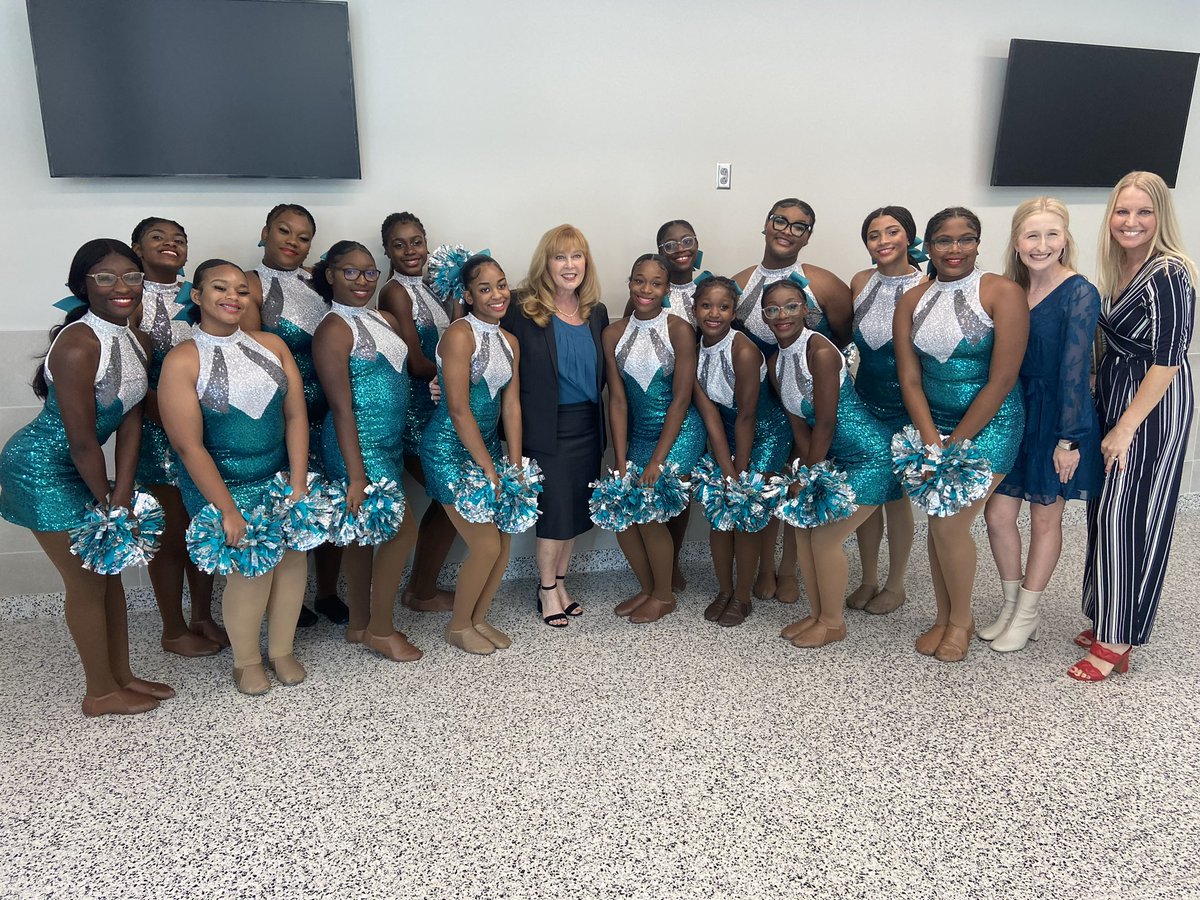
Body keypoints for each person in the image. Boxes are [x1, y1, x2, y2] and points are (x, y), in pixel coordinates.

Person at [0, 239, 172, 716]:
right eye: (105, 277)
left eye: (132, 277)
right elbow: (80, 442)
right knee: (87, 582)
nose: (122, 287)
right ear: (83, 286)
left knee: (110, 577)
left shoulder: (140, 338)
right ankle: (100, 692)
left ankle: (122, 675)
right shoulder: (78, 344)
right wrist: (109, 505)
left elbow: (134, 420)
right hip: (43, 470)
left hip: (87, 470)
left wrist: (123, 490)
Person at [159, 259, 311, 695]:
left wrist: (297, 482)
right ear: (198, 296)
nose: (233, 298)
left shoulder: (273, 344)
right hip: (222, 483)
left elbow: (296, 414)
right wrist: (226, 508)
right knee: (251, 568)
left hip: (278, 475)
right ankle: (246, 661)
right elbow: (189, 446)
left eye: (242, 291)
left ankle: (282, 649)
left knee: (293, 560)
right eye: (220, 289)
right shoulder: (182, 360)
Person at [1074, 171, 1196, 681]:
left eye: (1143, 212)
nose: (1130, 221)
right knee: (1107, 510)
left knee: (1131, 515)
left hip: (1150, 407)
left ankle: (1119, 639)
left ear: (1159, 218)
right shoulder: (1124, 265)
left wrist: (1124, 428)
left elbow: (1168, 361)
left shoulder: (1169, 273)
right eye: (1123, 212)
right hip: (1119, 396)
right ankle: (1108, 614)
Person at [893, 208, 1028, 662]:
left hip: (991, 424)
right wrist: (931, 437)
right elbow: (909, 379)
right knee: (938, 524)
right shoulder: (911, 299)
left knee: (950, 525)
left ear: (978, 243)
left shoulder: (1002, 292)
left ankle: (961, 621)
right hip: (934, 426)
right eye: (943, 241)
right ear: (927, 247)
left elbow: (1002, 379)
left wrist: (960, 440)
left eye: (965, 240)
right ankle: (943, 615)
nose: (955, 250)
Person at [982, 199, 1102, 652]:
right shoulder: (1010, 289)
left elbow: (1075, 370)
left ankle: (1029, 612)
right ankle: (1013, 607)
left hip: (1058, 415)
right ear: (1016, 242)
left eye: (1053, 235)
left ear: (1066, 239)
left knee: (1044, 516)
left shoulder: (1079, 291)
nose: (1042, 245)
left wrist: (1068, 439)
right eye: (1032, 235)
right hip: (1016, 410)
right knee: (998, 514)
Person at [733, 198, 853, 606]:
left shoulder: (822, 283)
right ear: (765, 224)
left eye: (799, 226)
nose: (787, 230)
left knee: (796, 483)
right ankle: (764, 567)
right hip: (762, 407)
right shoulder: (741, 281)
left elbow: (842, 339)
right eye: (780, 221)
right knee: (767, 485)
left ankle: (789, 569)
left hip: (803, 402)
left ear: (808, 236)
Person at [766, 280, 896, 648]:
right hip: (835, 459)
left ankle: (833, 622)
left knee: (825, 538)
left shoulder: (819, 351)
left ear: (805, 308)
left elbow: (825, 421)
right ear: (764, 317)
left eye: (791, 306)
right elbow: (799, 425)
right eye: (772, 310)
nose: (782, 316)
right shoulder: (776, 362)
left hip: (871, 456)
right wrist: (806, 473)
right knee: (805, 529)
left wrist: (809, 474)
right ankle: (816, 613)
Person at [312, 241, 422, 662]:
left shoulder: (385, 317)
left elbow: (407, 371)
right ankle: (381, 628)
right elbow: (340, 407)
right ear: (331, 276)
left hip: (389, 441)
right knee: (401, 531)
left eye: (370, 272)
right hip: (356, 446)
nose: (362, 281)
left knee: (360, 537)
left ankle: (358, 623)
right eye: (350, 272)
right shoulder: (333, 329)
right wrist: (356, 475)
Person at [241, 203, 345, 626]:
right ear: (264, 232)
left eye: (303, 238)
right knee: (286, 502)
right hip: (283, 412)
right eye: (284, 231)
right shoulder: (249, 283)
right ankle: (284, 601)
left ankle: (327, 592)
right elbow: (252, 351)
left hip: (328, 410)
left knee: (328, 502)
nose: (292, 242)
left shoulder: (319, 284)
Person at [502, 225, 608, 625]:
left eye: (576, 256)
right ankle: (546, 590)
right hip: (548, 428)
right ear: (545, 263)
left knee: (576, 510)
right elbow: (486, 348)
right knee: (554, 513)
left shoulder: (595, 311)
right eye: (560, 257)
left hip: (587, 425)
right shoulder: (521, 307)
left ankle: (561, 582)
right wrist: (446, 381)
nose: (569, 265)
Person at [419, 254, 523, 655]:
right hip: (448, 448)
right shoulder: (460, 335)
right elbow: (458, 409)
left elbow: (511, 406)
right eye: (485, 288)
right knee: (486, 546)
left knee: (504, 541)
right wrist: (487, 468)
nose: (497, 294)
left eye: (501, 284)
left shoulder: (509, 340)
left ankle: (479, 618)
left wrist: (512, 464)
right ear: (467, 294)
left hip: (485, 450)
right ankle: (459, 626)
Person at [130, 216, 224, 656]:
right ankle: (172, 628)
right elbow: (126, 371)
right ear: (137, 246)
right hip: (153, 431)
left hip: (205, 430)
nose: (171, 244)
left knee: (202, 524)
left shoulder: (201, 294)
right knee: (170, 532)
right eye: (158, 237)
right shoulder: (129, 298)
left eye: (179, 239)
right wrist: (164, 409)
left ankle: (203, 615)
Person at [602, 254, 707, 624]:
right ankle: (648, 588)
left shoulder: (678, 328)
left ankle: (664, 597)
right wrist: (619, 458)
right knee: (621, 514)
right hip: (639, 438)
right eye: (639, 281)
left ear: (666, 288)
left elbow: (681, 399)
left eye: (656, 283)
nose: (646, 290)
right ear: (630, 282)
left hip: (679, 433)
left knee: (646, 512)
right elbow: (617, 400)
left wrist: (657, 460)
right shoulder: (613, 333)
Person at [691, 276, 791, 626]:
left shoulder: (743, 350)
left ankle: (743, 595)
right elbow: (709, 413)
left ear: (734, 312)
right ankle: (723, 589)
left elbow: (748, 414)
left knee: (744, 515)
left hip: (765, 434)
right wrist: (724, 466)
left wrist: (741, 474)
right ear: (694, 309)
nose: (714, 313)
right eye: (706, 305)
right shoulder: (692, 347)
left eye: (723, 306)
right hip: (727, 436)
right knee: (719, 519)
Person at [377, 211, 460, 614]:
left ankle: (421, 588)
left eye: (416, 241)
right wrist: (459, 374)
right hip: (414, 412)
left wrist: (458, 295)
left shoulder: (432, 286)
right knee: (452, 497)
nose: (410, 251)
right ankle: (420, 591)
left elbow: (458, 338)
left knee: (450, 500)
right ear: (387, 250)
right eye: (399, 243)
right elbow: (415, 361)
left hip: (441, 406)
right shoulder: (394, 292)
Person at [846, 206, 926, 615]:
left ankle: (896, 585)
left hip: (908, 401)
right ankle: (868, 578)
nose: (883, 241)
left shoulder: (928, 285)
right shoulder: (860, 282)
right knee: (868, 492)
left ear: (909, 236)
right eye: (873, 235)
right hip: (866, 399)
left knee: (896, 496)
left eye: (892, 231)